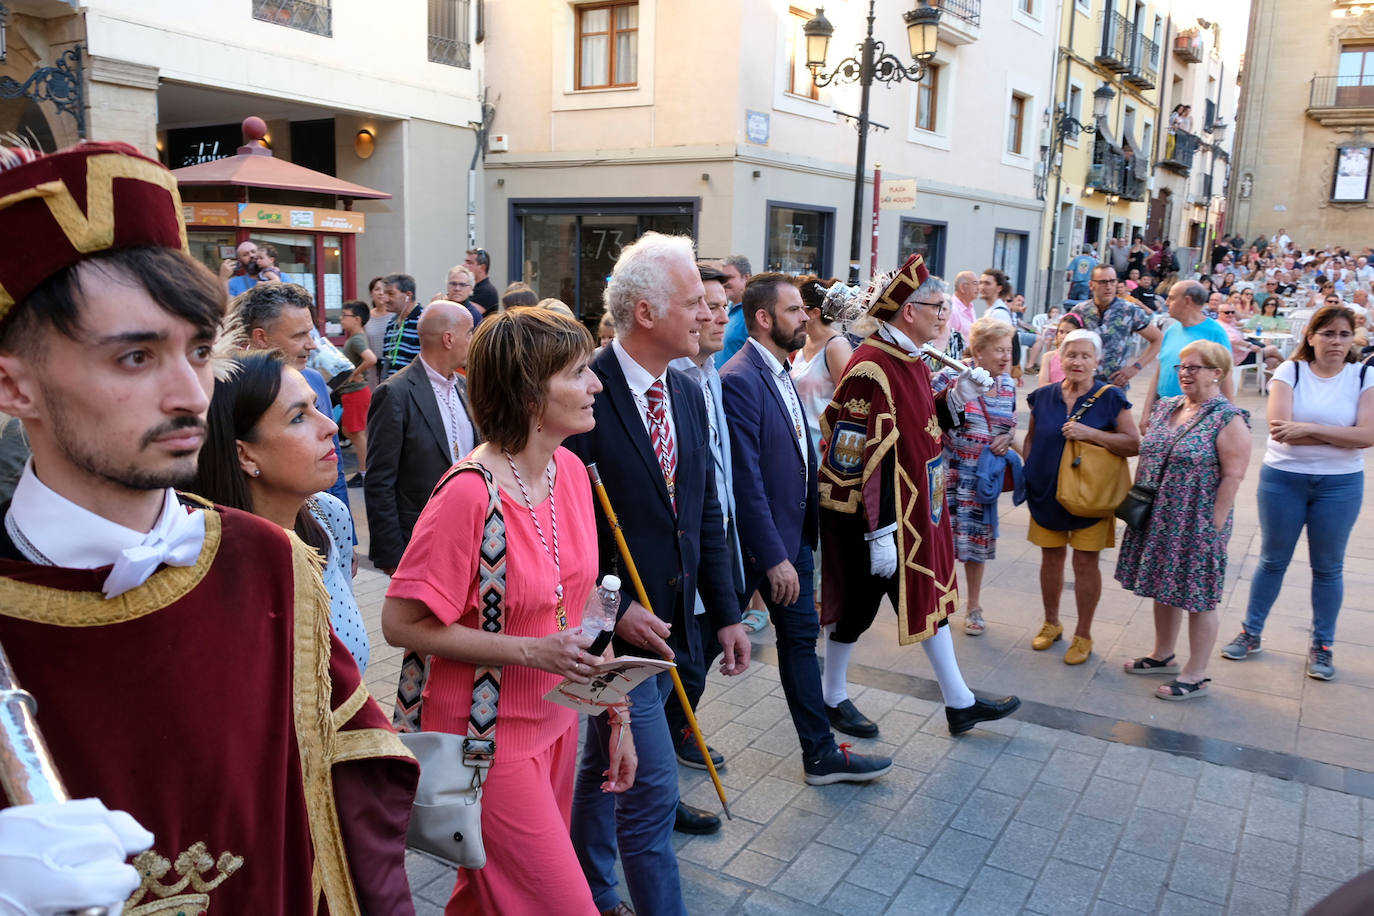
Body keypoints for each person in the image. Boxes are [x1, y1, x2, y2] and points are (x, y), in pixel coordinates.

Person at [0, 140, 415, 914]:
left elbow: (355, 805)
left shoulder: (270, 563)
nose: (192, 394)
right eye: (135, 357)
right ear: (12, 385)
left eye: (197, 350)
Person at [380, 307, 635, 915]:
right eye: (578, 372)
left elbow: (582, 607)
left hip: (557, 723)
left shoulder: (570, 471)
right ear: (529, 395)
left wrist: (616, 712)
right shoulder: (469, 492)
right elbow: (400, 623)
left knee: (490, 897)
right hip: (487, 743)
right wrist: (529, 651)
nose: (596, 384)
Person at [564, 232, 751, 916]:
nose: (711, 313)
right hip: (610, 637)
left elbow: (703, 515)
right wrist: (612, 610)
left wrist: (726, 612)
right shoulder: (581, 390)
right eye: (695, 301)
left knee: (601, 765)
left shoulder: (689, 390)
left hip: (676, 629)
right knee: (650, 795)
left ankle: (588, 886)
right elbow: (560, 531)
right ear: (645, 312)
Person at [818, 255, 1021, 739]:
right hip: (881, 518)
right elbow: (855, 454)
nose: (944, 316)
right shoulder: (872, 367)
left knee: (927, 601)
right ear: (909, 311)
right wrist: (879, 531)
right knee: (856, 608)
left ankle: (959, 701)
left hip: (914, 508)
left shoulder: (907, 357)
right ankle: (831, 696)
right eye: (937, 307)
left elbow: (920, 424)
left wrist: (959, 396)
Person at [722, 273, 894, 774]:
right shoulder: (740, 378)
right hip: (761, 546)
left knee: (799, 640)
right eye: (794, 310)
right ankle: (669, 735)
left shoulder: (780, 366)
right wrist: (773, 556)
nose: (806, 317)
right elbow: (745, 480)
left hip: (792, 537)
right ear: (764, 318)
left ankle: (820, 753)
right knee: (703, 649)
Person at [1222, 305, 1374, 680]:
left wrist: (1306, 428)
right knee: (1272, 560)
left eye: (1343, 334)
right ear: (1311, 336)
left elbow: (1367, 436)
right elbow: (1279, 430)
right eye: (1328, 334)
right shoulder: (1291, 371)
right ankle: (1251, 632)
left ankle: (1323, 644)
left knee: (1328, 567)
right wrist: (1342, 435)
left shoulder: (1363, 375)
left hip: (1339, 484)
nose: (1336, 341)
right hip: (1284, 479)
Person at [192, 349, 368, 672]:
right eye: (298, 417)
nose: (331, 426)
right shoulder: (198, 563)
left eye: (316, 406)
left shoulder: (329, 516)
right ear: (245, 455)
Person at [1117, 341, 1250, 699]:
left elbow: (1234, 475)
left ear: (1217, 373)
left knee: (1198, 595)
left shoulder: (1228, 418)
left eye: (1194, 367)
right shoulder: (1167, 406)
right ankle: (1163, 655)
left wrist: (1213, 527)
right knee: (1164, 584)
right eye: (1182, 367)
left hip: (1197, 518)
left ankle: (1196, 674)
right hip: (1160, 514)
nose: (1185, 373)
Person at [663, 264, 745, 835]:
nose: (713, 317)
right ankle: (659, 788)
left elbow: (719, 484)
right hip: (670, 572)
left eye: (719, 307)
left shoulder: (707, 376)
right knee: (681, 668)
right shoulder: (668, 379)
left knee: (699, 658)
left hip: (716, 547)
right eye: (703, 305)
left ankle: (673, 744)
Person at [1022, 329, 1141, 665]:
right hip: (1047, 493)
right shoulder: (1042, 396)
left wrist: (1089, 434)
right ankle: (1051, 623)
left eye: (1085, 356)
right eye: (1071, 354)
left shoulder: (1111, 397)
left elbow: (1133, 444)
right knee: (1050, 558)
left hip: (1092, 496)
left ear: (1097, 361)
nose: (1077, 361)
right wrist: (1030, 473)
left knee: (1086, 563)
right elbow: (1031, 439)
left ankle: (1084, 634)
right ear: (1060, 358)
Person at [365, 301, 477, 576]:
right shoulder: (395, 393)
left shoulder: (466, 387)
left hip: (470, 536)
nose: (473, 340)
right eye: (470, 332)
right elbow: (380, 480)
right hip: (420, 541)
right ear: (449, 339)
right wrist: (392, 556)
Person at [235, 281, 353, 525]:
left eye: (311, 332)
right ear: (261, 337)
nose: (311, 344)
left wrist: (343, 528)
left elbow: (335, 463)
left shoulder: (314, 380)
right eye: (299, 335)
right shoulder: (230, 390)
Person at [930, 318, 1018, 636]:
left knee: (977, 544)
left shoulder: (1008, 385)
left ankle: (974, 606)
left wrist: (1008, 438)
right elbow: (928, 419)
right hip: (948, 475)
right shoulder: (950, 376)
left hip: (980, 481)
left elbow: (1008, 423)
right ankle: (936, 603)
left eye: (1008, 350)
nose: (1006, 356)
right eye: (999, 350)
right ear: (978, 351)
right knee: (940, 544)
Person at [1139, 280, 1234, 420]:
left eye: (1171, 298)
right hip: (1163, 410)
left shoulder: (1215, 333)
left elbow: (1226, 377)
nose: (1166, 303)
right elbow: (1160, 372)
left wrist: (1227, 418)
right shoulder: (1171, 331)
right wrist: (1146, 412)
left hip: (1196, 414)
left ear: (1187, 301)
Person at [1071, 265, 1163, 389]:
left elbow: (1158, 339)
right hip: (1081, 385)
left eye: (1112, 281)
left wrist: (1135, 368)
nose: (1108, 286)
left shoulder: (1129, 310)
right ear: (1091, 285)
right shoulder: (1080, 311)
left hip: (1114, 386)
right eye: (1103, 282)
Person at [339, 300, 377, 487]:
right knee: (348, 430)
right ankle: (365, 470)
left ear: (357, 319)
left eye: (345, 315)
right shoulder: (355, 337)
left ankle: (365, 473)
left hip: (356, 393)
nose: (341, 319)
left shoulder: (356, 339)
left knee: (357, 434)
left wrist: (354, 373)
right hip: (352, 393)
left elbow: (371, 359)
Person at [381, 272, 423, 379]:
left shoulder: (424, 321)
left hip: (414, 387)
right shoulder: (391, 323)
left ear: (408, 295)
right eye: (384, 294)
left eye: (391, 294)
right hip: (391, 386)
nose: (385, 299)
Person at [713, 254, 753, 367]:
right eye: (722, 279)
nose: (724, 283)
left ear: (746, 278)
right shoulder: (726, 310)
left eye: (729, 277)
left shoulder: (753, 314)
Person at [1040, 314, 1084, 384]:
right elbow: (1043, 384)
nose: (1063, 336)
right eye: (1061, 332)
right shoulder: (1048, 357)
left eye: (1069, 333)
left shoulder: (1080, 360)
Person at [364, 275, 392, 388]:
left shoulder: (395, 316)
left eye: (384, 290)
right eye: (377, 289)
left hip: (391, 367)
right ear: (371, 293)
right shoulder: (366, 317)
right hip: (372, 369)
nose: (381, 293)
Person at [465, 246, 499, 315]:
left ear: (482, 267)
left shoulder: (487, 291)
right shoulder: (471, 287)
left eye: (470, 263)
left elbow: (467, 314)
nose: (464, 265)